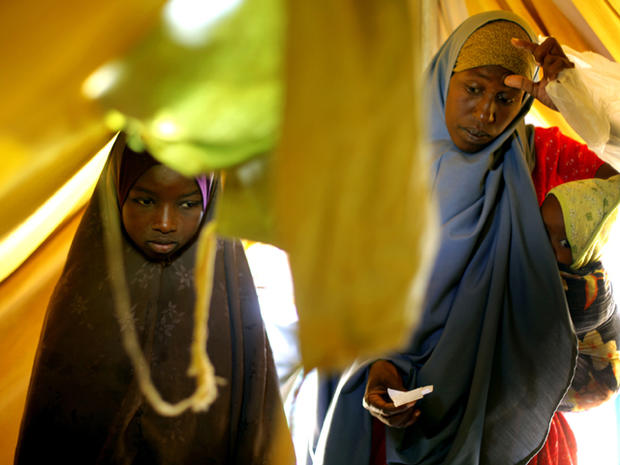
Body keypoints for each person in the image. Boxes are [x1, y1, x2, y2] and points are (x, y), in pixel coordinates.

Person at [310, 11, 618, 465]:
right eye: (473, 89)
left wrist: (571, 97)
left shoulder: (542, 158)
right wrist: (378, 369)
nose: (488, 113)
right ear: (444, 75)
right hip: (401, 426)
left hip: (512, 437)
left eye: (507, 97)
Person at [14, 134, 294, 464]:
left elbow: (258, 432)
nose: (164, 223)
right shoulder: (82, 306)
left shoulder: (233, 311)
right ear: (115, 196)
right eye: (145, 201)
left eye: (188, 204)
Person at [541, 176, 620, 413]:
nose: (550, 247)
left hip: (589, 385)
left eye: (564, 242)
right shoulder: (575, 266)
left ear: (586, 247)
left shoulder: (581, 296)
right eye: (544, 232)